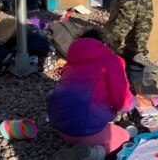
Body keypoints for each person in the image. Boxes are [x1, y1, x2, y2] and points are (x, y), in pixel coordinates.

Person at [47, 28, 135, 156]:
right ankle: (91, 154)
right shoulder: (112, 61)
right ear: (105, 45)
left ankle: (80, 148)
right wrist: (134, 101)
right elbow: (123, 103)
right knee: (124, 137)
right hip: (84, 128)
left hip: (60, 127)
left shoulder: (71, 64)